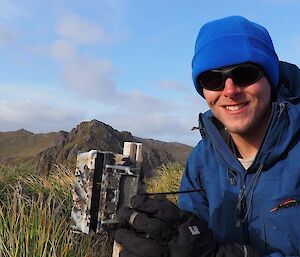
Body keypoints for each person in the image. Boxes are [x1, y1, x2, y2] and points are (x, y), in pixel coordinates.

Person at [115, 16, 300, 257]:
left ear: (270, 77)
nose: (230, 90)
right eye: (213, 79)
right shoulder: (201, 162)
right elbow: (195, 243)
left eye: (245, 74)